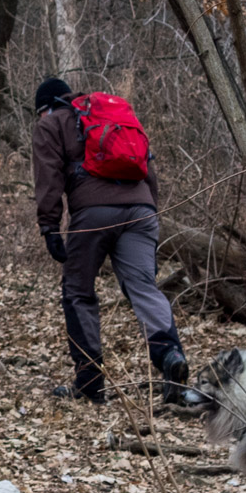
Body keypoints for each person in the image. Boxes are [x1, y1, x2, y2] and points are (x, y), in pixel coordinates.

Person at [31, 77, 189, 404]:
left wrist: (49, 226)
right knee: (144, 286)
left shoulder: (51, 124)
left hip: (93, 214)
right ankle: (170, 356)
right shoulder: (109, 115)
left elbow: (49, 177)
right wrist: (150, 213)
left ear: (45, 107)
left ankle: (90, 381)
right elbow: (148, 167)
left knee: (78, 291)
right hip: (142, 210)